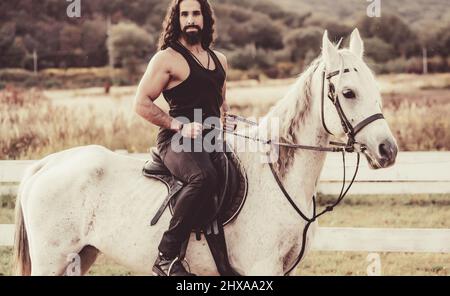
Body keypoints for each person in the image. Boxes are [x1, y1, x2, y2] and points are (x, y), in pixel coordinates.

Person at [133, 0, 236, 276]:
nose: (191, 19)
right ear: (177, 19)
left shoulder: (219, 60)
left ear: (205, 19)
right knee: (203, 177)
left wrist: (228, 115)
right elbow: (141, 103)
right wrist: (177, 125)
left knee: (234, 176)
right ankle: (166, 257)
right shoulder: (166, 58)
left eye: (196, 14)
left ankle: (222, 264)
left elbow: (219, 102)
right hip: (176, 141)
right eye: (185, 14)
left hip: (211, 140)